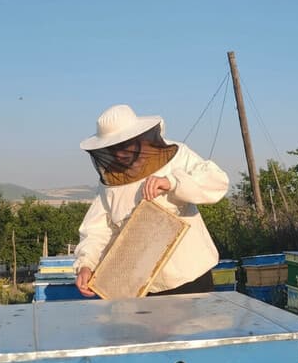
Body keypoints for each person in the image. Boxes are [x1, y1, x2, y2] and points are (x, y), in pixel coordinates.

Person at [74, 104, 230, 297]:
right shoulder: (111, 181)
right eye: (112, 148)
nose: (118, 153)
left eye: (123, 145)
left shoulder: (177, 156)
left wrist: (172, 182)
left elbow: (217, 181)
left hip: (190, 276)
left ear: (138, 137)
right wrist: (86, 264)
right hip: (142, 284)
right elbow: (98, 230)